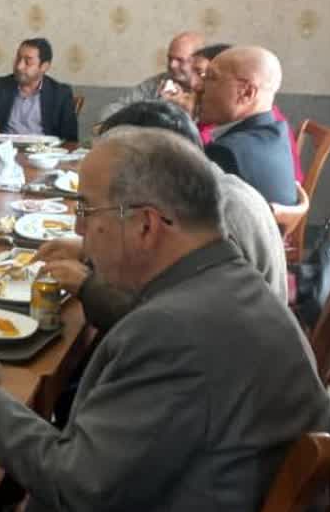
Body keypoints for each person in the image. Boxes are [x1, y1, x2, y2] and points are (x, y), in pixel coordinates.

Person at [0, 128, 330, 512]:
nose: (80, 227)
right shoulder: (227, 286)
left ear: (146, 225)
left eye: (87, 210)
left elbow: (76, 488)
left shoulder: (175, 331)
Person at [37, 100, 290, 330]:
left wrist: (86, 286)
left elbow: (161, 320)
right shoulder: (212, 189)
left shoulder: (218, 219)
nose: (80, 227)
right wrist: (90, 250)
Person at [199, 46, 298, 205]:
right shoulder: (276, 131)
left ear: (247, 93)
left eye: (211, 78)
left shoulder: (227, 152)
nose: (199, 87)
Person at [0, 38, 79, 141]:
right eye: (18, 59)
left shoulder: (60, 94)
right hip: (4, 151)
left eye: (28, 62)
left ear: (44, 66)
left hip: (42, 153)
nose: (19, 66)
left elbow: (71, 139)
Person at [96, 30, 204, 123]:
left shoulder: (208, 89)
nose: (172, 65)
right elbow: (111, 111)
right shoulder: (157, 82)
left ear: (198, 61)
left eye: (180, 60)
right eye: (170, 58)